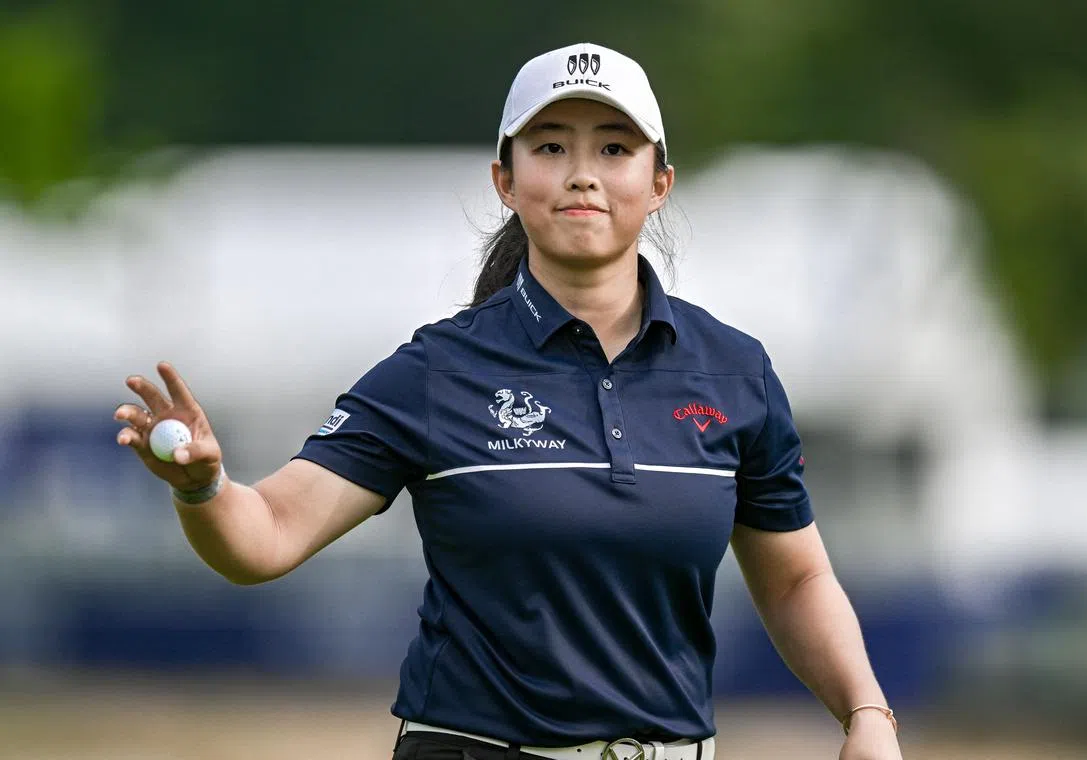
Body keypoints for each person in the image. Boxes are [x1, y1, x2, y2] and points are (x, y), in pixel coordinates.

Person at [114, 42, 903, 760]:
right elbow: (268, 536)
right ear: (506, 178)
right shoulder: (437, 370)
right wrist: (204, 488)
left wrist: (866, 712)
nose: (582, 172)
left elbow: (796, 579)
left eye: (614, 149)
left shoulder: (735, 374)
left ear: (659, 182)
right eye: (551, 147)